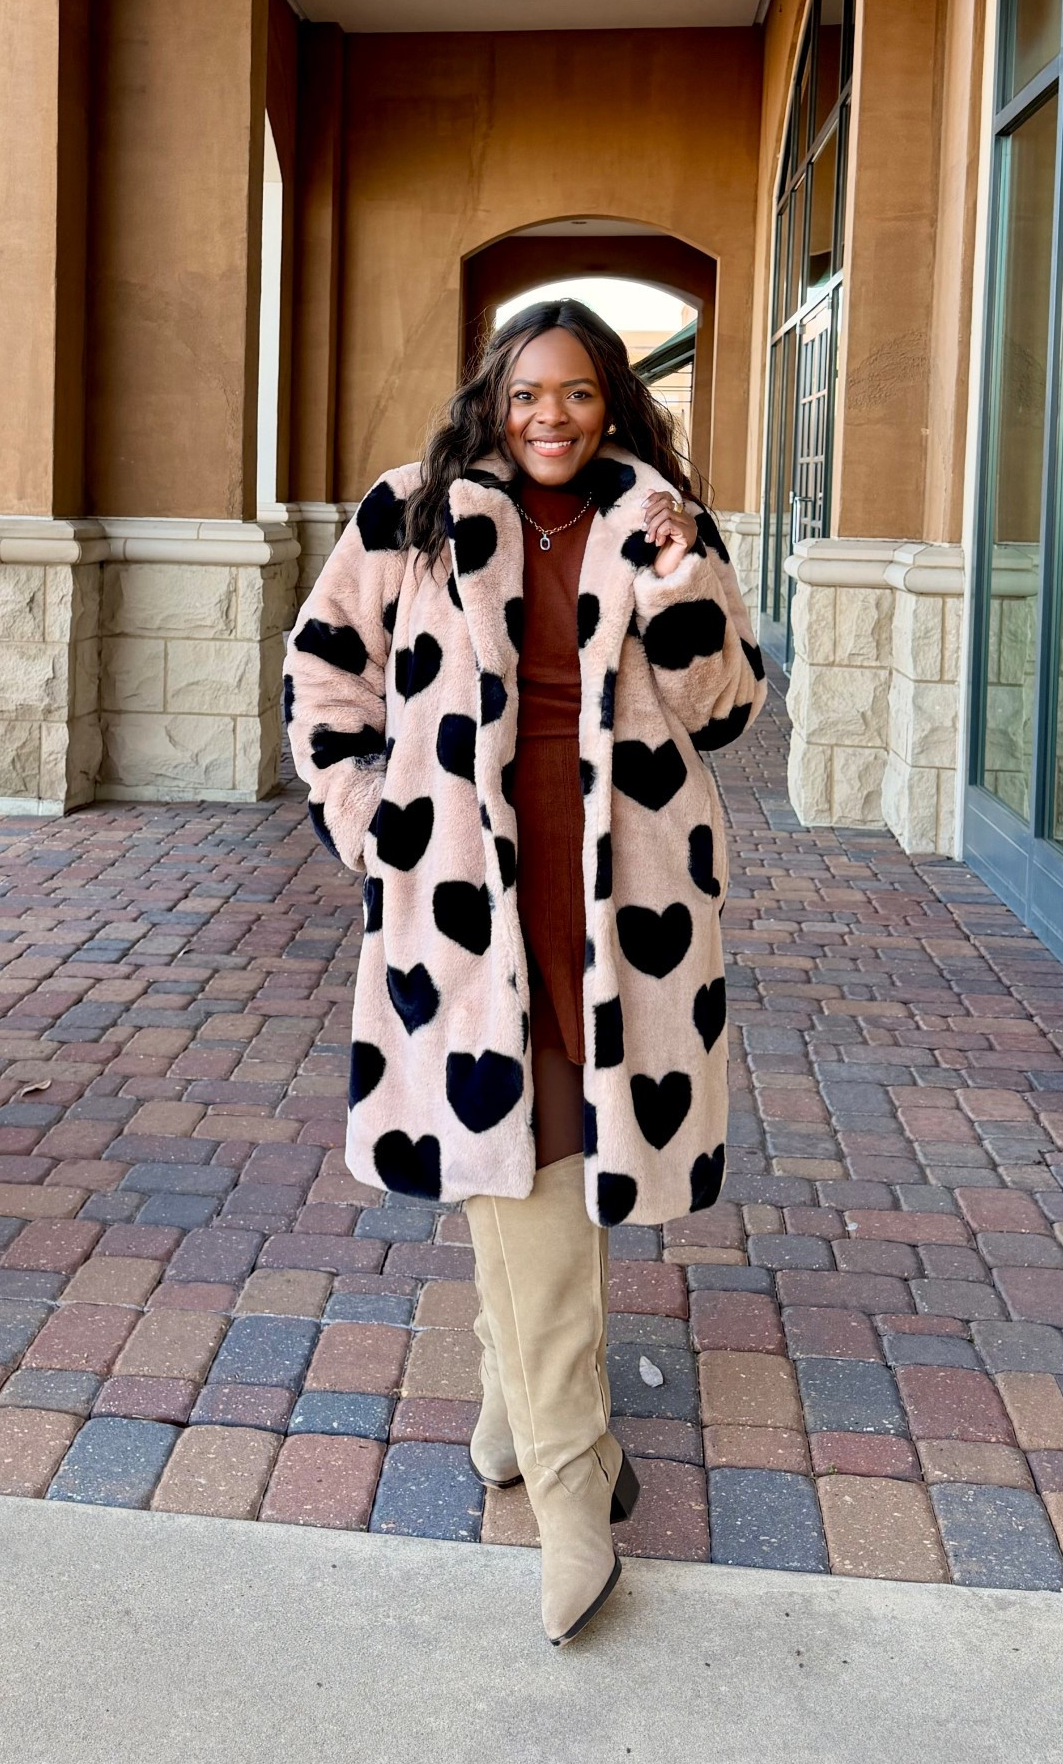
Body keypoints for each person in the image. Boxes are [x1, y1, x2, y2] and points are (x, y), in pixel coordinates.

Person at [282, 298, 765, 1643]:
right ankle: (570, 1482)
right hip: (465, 899)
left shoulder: (658, 518)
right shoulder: (415, 511)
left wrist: (681, 578)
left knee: (552, 1148)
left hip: (626, 890)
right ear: (496, 395)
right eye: (528, 391)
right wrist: (380, 828)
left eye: (579, 394)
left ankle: (511, 1406)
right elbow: (325, 675)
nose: (551, 415)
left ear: (612, 404)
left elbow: (725, 707)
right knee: (533, 1147)